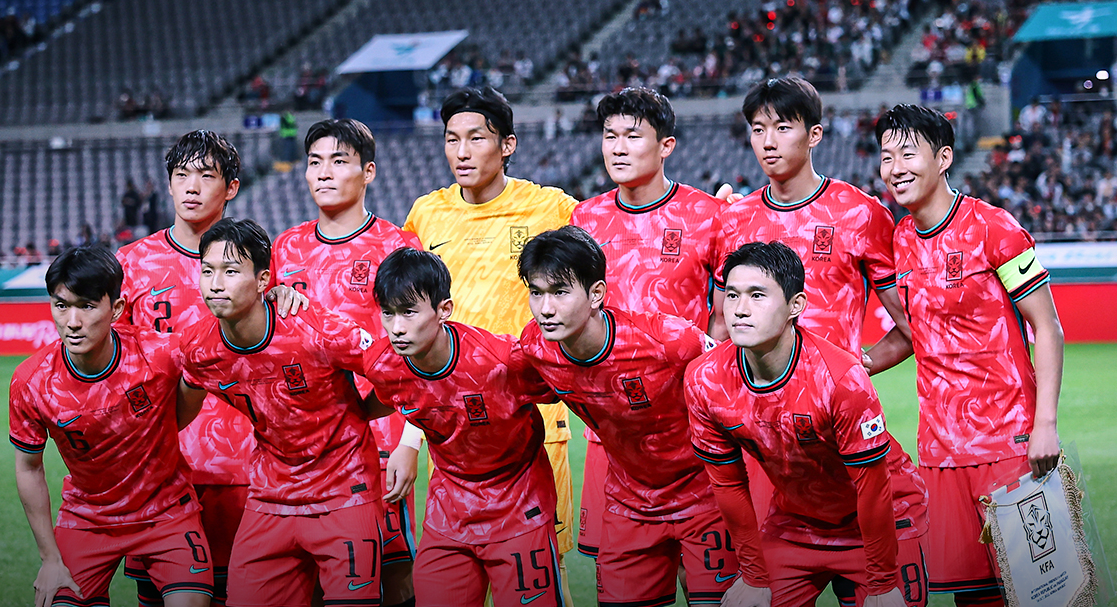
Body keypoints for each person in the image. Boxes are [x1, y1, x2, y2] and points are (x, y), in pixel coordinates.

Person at [714, 79, 915, 605]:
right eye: (758, 129)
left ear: (815, 134)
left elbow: (911, 325)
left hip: (837, 431)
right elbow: (719, 327)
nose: (768, 141)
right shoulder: (734, 220)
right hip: (762, 443)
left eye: (783, 127)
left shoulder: (860, 213)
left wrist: (859, 365)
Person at [877, 104, 1064, 606]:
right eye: (886, 157)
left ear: (944, 158)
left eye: (907, 154)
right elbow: (915, 333)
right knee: (975, 597)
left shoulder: (994, 227)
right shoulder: (900, 239)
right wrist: (858, 363)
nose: (895, 168)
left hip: (1010, 444)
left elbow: (1047, 327)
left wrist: (1044, 424)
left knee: (1043, 593)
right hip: (940, 453)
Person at [404, 85, 577, 602]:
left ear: (507, 145)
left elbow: (615, 235)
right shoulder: (426, 215)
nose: (461, 151)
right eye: (451, 138)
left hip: (532, 421)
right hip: (452, 427)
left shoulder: (550, 208)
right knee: (455, 576)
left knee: (545, 571)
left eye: (476, 138)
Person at [685, 241, 929, 607]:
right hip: (797, 521)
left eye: (757, 295)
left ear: (795, 306)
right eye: (732, 295)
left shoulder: (841, 378)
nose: (740, 309)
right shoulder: (704, 379)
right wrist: (753, 576)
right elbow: (727, 483)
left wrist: (881, 583)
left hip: (886, 515)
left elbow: (873, 487)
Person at [517, 226, 738, 606]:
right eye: (536, 292)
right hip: (630, 503)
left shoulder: (669, 340)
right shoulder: (537, 347)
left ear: (596, 294)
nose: (546, 308)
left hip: (705, 495)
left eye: (560, 291)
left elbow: (736, 382)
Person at [179, 218, 387, 607]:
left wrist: (363, 413)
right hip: (270, 497)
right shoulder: (200, 349)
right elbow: (178, 412)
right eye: (207, 271)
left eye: (230, 271)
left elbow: (397, 370)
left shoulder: (316, 329)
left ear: (263, 281)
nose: (215, 283)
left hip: (344, 492)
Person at [271, 118, 422, 607]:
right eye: (315, 162)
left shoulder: (397, 246)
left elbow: (419, 354)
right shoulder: (284, 248)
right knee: (313, 580)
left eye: (339, 161)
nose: (324, 173)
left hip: (379, 440)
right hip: (304, 448)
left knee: (394, 576)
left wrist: (409, 443)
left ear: (368, 172)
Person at [10, 246, 213, 607]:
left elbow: (227, 343)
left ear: (116, 309)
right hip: (87, 518)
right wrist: (50, 558)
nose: (73, 321)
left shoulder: (160, 353)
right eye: (61, 305)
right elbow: (28, 467)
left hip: (167, 513)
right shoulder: (32, 381)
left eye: (87, 306)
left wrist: (273, 299)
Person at [363, 247, 564, 605]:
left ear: (444, 310)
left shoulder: (501, 362)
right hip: (449, 510)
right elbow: (391, 398)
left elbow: (566, 384)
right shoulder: (383, 364)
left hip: (518, 505)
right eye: (388, 313)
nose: (397, 328)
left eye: (409, 312)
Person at [570, 86, 722, 561]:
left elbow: (725, 314)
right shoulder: (584, 219)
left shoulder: (708, 215)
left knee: (707, 578)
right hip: (612, 431)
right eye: (609, 135)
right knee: (623, 575)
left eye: (633, 136)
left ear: (666, 146)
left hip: (690, 426)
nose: (618, 147)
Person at [116, 130, 254, 607]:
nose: (192, 187)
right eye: (181, 175)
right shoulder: (132, 263)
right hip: (159, 471)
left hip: (242, 469)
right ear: (169, 184)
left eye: (206, 176)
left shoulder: (259, 264)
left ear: (230, 188)